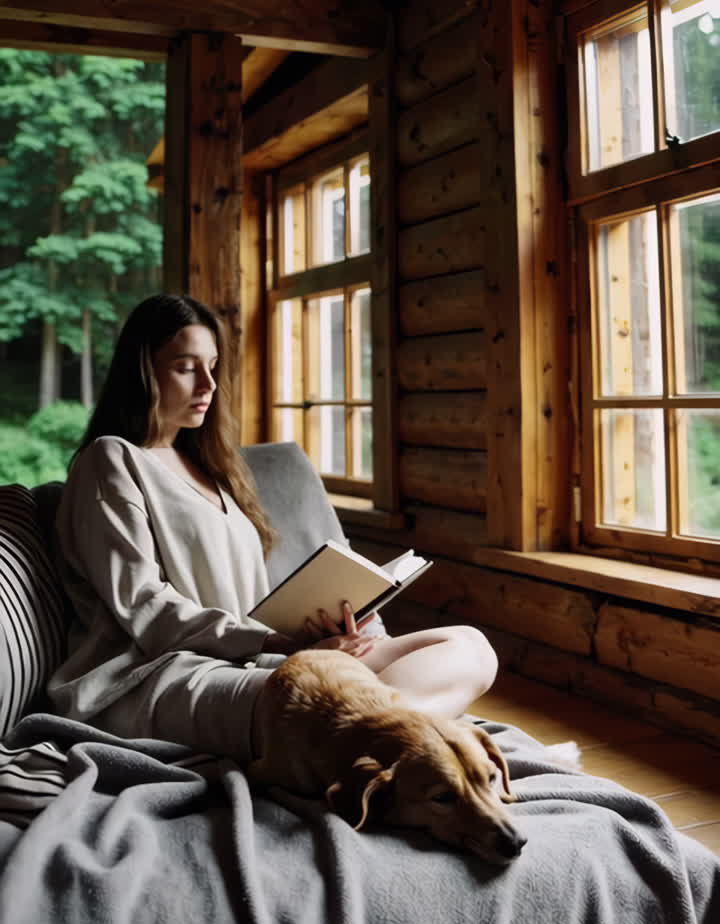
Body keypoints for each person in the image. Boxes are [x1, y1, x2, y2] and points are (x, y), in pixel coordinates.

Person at [48, 294, 499, 764]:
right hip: (162, 676)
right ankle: (408, 741)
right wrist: (274, 643)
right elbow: (144, 605)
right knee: (339, 697)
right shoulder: (111, 459)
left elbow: (247, 602)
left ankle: (378, 743)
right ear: (142, 371)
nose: (208, 383)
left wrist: (313, 630)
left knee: (469, 647)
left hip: (256, 659)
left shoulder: (211, 468)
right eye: (186, 367)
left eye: (213, 366)